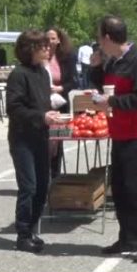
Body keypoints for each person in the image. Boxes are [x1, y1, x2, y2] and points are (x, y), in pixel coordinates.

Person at [90, 15, 137, 262]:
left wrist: (112, 101)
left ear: (108, 38)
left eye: (100, 37)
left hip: (136, 132)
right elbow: (101, 87)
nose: (98, 42)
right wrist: (96, 67)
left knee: (136, 187)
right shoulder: (112, 62)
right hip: (118, 131)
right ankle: (128, 237)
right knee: (119, 188)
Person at [5, 29, 61, 253]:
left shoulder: (43, 73)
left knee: (42, 185)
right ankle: (23, 234)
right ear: (30, 49)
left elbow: (43, 103)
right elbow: (14, 107)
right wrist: (40, 116)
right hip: (22, 138)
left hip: (41, 135)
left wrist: (52, 114)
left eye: (48, 45)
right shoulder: (19, 74)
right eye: (43, 46)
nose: (48, 49)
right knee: (28, 186)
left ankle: (32, 229)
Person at [46, 28, 78, 178]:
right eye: (47, 39)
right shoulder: (40, 56)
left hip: (61, 104)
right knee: (44, 142)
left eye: (53, 38)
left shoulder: (68, 57)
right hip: (43, 105)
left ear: (59, 40)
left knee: (58, 141)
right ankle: (43, 178)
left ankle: (55, 176)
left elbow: (73, 81)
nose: (50, 42)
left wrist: (60, 88)